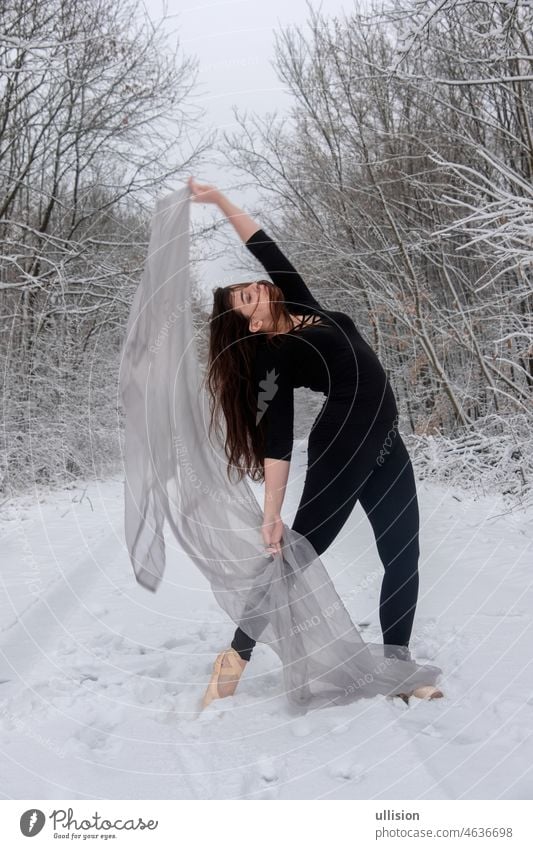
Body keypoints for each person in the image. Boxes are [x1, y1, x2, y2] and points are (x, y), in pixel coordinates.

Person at [188, 176, 443, 707]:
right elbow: (277, 438)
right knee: (295, 559)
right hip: (342, 447)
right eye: (244, 297)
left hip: (386, 443)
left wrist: (219, 201)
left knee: (404, 554)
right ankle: (234, 656)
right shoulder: (274, 351)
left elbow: (265, 246)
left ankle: (398, 665)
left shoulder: (304, 305)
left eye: (250, 286)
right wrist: (271, 512)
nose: (255, 288)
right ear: (250, 326)